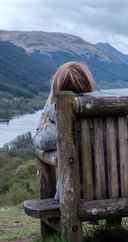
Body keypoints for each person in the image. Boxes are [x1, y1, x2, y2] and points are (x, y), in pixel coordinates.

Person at [33, 61, 94, 200]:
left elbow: (40, 141)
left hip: (78, 197)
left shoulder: (61, 117)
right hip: (121, 191)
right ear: (87, 84)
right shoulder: (107, 112)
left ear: (57, 89)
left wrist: (50, 103)